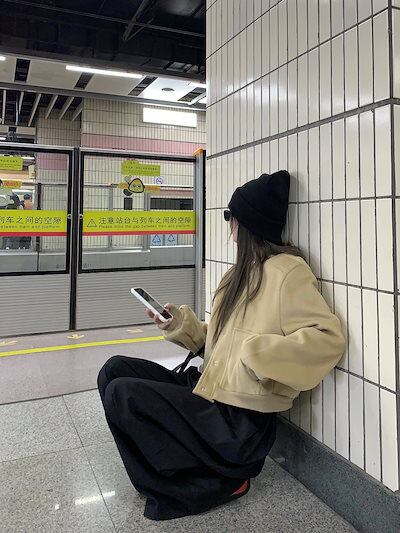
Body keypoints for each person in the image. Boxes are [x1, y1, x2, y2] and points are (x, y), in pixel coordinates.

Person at [98, 171, 346, 521]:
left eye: (231, 216)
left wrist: (259, 354)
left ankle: (209, 485)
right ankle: (167, 475)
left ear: (246, 223)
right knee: (113, 370)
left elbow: (328, 338)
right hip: (212, 390)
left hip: (240, 422)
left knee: (123, 394)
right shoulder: (237, 275)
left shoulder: (287, 272)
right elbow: (220, 340)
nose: (228, 224)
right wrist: (177, 325)